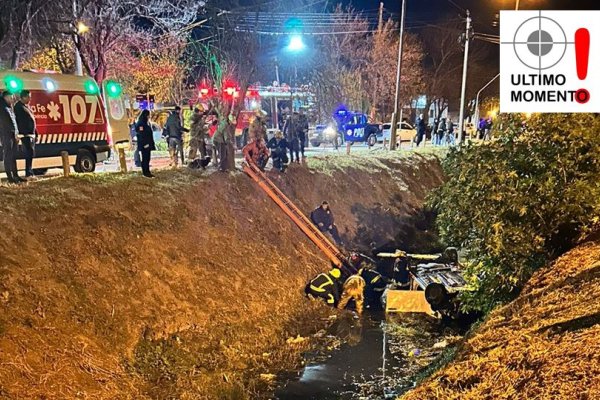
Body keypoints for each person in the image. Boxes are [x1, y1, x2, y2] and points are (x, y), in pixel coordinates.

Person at [0, 91, 24, 184]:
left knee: (14, 155)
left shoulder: (10, 107)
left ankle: (16, 175)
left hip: (13, 135)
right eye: (11, 97)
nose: (13, 99)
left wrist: (16, 133)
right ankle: (10, 177)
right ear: (6, 97)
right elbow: (7, 123)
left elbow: (14, 122)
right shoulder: (2, 108)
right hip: (6, 135)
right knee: (8, 155)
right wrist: (14, 134)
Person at [14, 90, 36, 178]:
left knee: (31, 153)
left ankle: (30, 171)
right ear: (23, 97)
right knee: (29, 152)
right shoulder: (19, 107)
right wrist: (25, 133)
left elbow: (32, 120)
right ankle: (29, 172)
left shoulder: (26, 107)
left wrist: (35, 133)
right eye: (29, 97)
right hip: (25, 135)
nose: (30, 99)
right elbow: (20, 122)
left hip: (30, 134)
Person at [135, 109, 155, 178]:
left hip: (147, 144)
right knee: (145, 158)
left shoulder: (145, 123)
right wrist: (145, 144)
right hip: (144, 144)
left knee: (147, 158)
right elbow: (141, 135)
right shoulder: (141, 124)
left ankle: (147, 171)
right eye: (148, 115)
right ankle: (145, 172)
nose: (149, 117)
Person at [213, 105, 232, 172]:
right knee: (223, 154)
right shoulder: (225, 126)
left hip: (217, 139)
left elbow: (219, 114)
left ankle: (224, 167)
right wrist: (228, 142)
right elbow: (225, 135)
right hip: (219, 140)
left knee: (224, 154)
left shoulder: (223, 120)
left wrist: (215, 106)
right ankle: (221, 168)